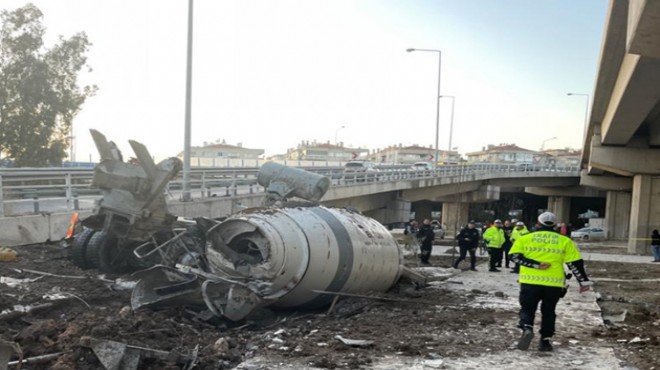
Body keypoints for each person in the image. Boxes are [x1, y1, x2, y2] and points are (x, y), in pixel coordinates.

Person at [509, 211, 592, 352]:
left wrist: (535, 264)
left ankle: (527, 328)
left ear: (538, 223)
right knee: (549, 312)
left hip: (530, 282)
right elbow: (575, 264)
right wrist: (583, 282)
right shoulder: (564, 240)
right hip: (553, 284)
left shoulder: (525, 238)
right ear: (555, 225)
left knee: (527, 309)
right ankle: (545, 341)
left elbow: (514, 257)